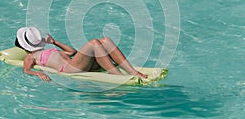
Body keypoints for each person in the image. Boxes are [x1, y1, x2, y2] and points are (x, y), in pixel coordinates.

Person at [15, 27, 147, 81]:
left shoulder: (48, 50)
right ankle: (118, 76)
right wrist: (38, 73)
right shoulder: (30, 56)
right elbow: (26, 70)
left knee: (105, 41)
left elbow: (72, 52)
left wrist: (54, 42)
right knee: (94, 43)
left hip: (77, 64)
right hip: (69, 69)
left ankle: (133, 72)